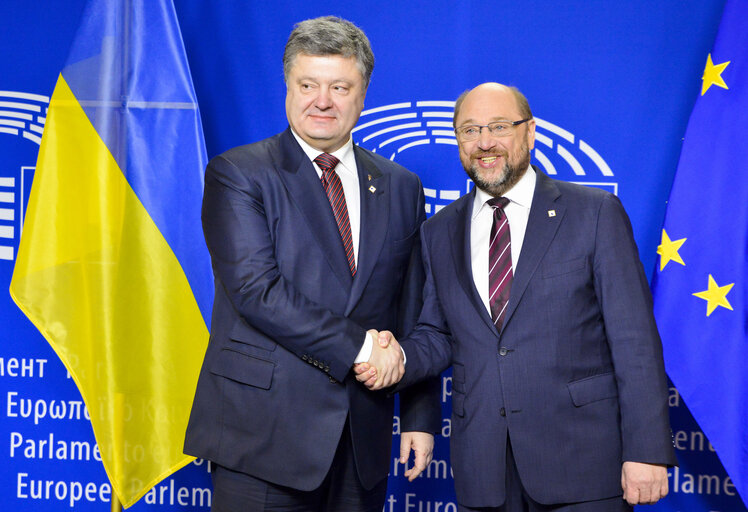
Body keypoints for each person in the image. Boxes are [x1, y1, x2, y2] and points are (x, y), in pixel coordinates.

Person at [356, 82, 677, 511]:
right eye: (469, 130)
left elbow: (635, 341)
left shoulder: (594, 214)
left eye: (499, 127)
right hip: (484, 469)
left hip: (583, 464)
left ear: (530, 132)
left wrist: (647, 450)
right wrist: (395, 358)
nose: (484, 143)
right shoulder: (438, 231)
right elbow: (436, 332)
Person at [184, 16, 440, 512]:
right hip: (262, 439)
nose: (322, 101)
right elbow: (258, 292)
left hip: (360, 440)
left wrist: (419, 414)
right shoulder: (239, 174)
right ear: (288, 87)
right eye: (308, 85)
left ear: (362, 94)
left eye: (339, 87)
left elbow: (412, 309)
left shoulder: (401, 185)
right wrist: (365, 348)